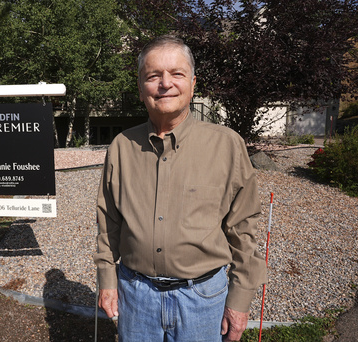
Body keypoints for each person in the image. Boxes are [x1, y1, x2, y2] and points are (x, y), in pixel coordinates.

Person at [94, 35, 267, 342]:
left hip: (201, 299)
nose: (165, 84)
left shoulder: (227, 145)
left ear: (193, 83)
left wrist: (239, 301)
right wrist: (107, 278)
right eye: (153, 76)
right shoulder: (121, 147)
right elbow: (109, 221)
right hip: (136, 297)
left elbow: (244, 228)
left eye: (176, 74)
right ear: (140, 87)